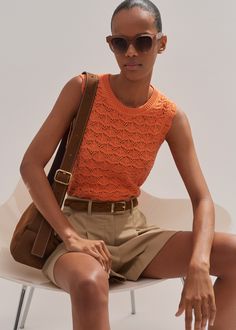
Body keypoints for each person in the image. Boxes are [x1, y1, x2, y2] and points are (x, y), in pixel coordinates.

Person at [19, 0, 236, 329]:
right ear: (111, 45)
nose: (131, 51)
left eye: (143, 41)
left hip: (134, 233)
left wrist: (199, 264)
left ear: (161, 44)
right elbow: (31, 165)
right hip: (72, 229)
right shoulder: (82, 90)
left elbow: (202, 198)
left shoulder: (169, 116)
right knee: (91, 285)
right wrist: (70, 236)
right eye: (120, 42)